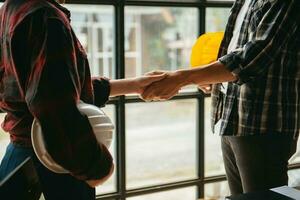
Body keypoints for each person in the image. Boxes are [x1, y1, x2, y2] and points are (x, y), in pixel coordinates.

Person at [0, 0, 166, 199]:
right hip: (55, 163)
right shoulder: (46, 17)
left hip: (21, 158)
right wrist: (96, 166)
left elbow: (57, 89)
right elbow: (56, 108)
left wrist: (133, 85)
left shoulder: (11, 10)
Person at [141, 0, 299, 195]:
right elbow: (234, 47)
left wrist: (182, 78)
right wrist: (207, 76)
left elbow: (252, 58)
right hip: (232, 116)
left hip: (263, 123)